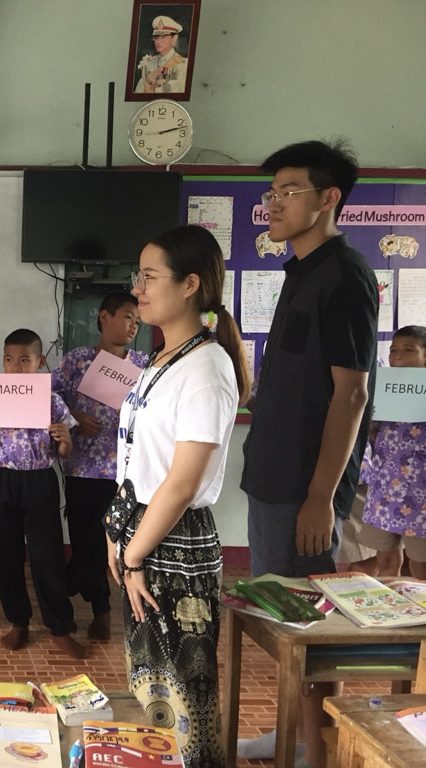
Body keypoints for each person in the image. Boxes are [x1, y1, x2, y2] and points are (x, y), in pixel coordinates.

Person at [239, 140, 378, 767]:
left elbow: (350, 395)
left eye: (288, 190)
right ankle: (297, 734)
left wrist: (322, 497)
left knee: (311, 626)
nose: (273, 202)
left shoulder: (345, 276)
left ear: (329, 199)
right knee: (286, 621)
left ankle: (317, 751)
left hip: (305, 489)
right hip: (274, 476)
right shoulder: (299, 272)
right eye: (272, 191)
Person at [106, 225, 249, 768]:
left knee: (185, 692)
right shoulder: (161, 359)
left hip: (173, 544)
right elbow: (139, 459)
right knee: (151, 689)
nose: (137, 289)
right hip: (140, 529)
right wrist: (116, 532)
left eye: (149, 277)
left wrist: (135, 551)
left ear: (190, 284)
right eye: (136, 276)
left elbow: (183, 482)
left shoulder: (207, 368)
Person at [0, 328, 86, 659]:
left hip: (40, 482)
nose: (15, 367)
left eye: (24, 360)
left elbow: (64, 453)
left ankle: (59, 627)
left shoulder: (52, 402)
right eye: (8, 359)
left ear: (39, 361)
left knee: (47, 557)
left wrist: (64, 439)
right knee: (5, 556)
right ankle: (18, 622)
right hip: (2, 481)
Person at [52, 292, 147, 641]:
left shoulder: (141, 364)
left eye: (138, 320)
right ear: (104, 318)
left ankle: (81, 595)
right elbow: (48, 395)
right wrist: (74, 416)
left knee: (112, 541)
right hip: (80, 468)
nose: (134, 325)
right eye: (126, 316)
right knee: (85, 540)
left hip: (123, 471)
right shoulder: (78, 360)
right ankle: (96, 605)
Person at [357, 326, 426, 578]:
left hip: (421, 492)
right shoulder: (382, 386)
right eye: (393, 350)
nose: (397, 356)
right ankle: (390, 607)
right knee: (385, 556)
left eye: (408, 351)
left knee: (421, 564)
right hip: (386, 486)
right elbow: (372, 430)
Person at [135, 15, 188, 94]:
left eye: (163, 37)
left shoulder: (184, 64)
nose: (158, 41)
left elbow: (182, 90)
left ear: (174, 38)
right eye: (156, 37)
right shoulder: (149, 63)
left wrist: (159, 83)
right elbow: (138, 92)